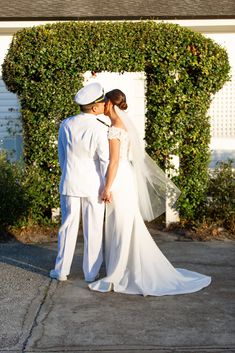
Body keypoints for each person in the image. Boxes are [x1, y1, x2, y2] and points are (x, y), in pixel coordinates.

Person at [88, 89, 211, 296]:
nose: (102, 105)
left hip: (118, 177)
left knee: (120, 223)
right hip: (126, 176)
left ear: (109, 104)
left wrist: (107, 187)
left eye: (104, 102)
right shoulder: (124, 125)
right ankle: (124, 265)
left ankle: (120, 270)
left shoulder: (114, 129)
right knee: (127, 222)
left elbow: (114, 161)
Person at [50, 82, 109, 282]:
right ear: (94, 107)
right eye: (102, 104)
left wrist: (68, 172)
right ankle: (91, 273)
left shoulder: (66, 124)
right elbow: (105, 160)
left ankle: (61, 271)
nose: (104, 106)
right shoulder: (100, 128)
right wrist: (107, 185)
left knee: (67, 227)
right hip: (94, 185)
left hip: (70, 181)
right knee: (93, 229)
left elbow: (62, 156)